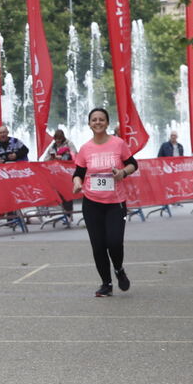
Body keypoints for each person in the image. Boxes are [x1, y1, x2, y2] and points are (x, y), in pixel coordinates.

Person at [72, 107, 137, 297]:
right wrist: (77, 183)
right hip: (92, 203)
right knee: (98, 245)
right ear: (89, 124)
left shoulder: (118, 144)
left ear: (107, 123)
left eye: (101, 119)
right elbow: (78, 173)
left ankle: (118, 270)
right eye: (94, 120)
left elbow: (133, 163)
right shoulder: (85, 148)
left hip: (115, 203)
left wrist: (123, 173)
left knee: (115, 242)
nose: (98, 122)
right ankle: (106, 284)